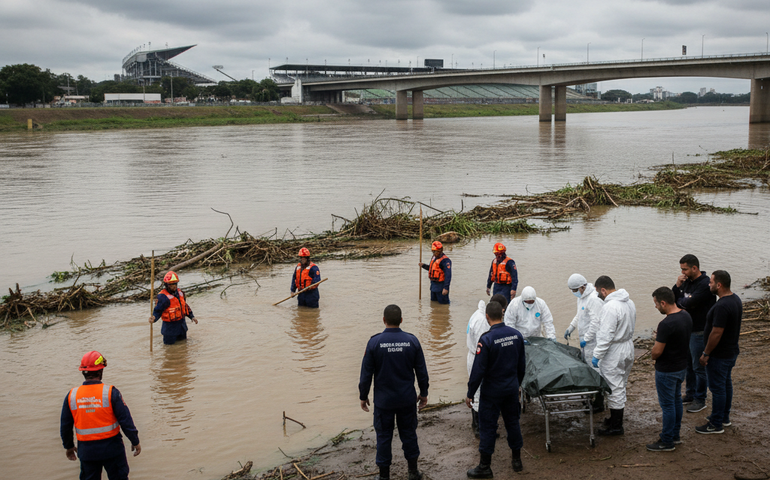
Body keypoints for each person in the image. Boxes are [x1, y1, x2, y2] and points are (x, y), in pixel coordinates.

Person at [359, 305, 429, 480]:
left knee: (383, 436)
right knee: (409, 434)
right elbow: (422, 371)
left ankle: (384, 477)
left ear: (384, 320)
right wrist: (424, 393)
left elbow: (366, 373)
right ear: (401, 321)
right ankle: (413, 472)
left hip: (384, 402)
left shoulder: (374, 343)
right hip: (406, 399)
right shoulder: (412, 341)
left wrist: (363, 395)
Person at [466, 301, 526, 477]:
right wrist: (517, 384)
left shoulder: (486, 340)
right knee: (513, 423)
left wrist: (470, 393)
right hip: (511, 388)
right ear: (503, 314)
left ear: (487, 317)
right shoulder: (516, 335)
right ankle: (517, 461)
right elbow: (521, 365)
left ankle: (485, 466)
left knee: (488, 427)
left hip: (492, 391)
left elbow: (478, 371)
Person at [61, 351, 141, 480]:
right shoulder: (110, 393)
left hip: (87, 452)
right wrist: (135, 440)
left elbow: (65, 426)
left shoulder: (72, 395)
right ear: (101, 371)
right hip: (112, 449)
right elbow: (125, 420)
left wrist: (69, 446)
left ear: (83, 372)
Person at [647, 287, 693, 452]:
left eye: (656, 304)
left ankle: (666, 441)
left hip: (667, 370)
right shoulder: (686, 316)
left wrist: (656, 342)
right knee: (676, 402)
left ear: (663, 302)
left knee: (667, 405)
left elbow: (656, 353)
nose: (656, 307)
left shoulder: (666, 324)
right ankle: (675, 435)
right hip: (681, 366)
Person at [697, 270, 742, 434]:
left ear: (719, 285)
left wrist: (706, 353)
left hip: (719, 355)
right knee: (725, 384)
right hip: (730, 351)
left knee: (717, 389)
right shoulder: (735, 299)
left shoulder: (722, 305)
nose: (709, 284)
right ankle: (724, 417)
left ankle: (716, 424)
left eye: (711, 282)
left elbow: (716, 332)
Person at [591, 275, 636, 436]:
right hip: (628, 346)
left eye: (598, 293)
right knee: (620, 383)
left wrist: (596, 355)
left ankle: (616, 426)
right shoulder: (629, 302)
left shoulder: (610, 307)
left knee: (614, 387)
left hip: (615, 350)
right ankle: (614, 418)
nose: (598, 296)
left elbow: (606, 335)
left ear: (603, 290)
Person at [672, 254, 716, 414]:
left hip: (700, 331)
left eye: (685, 269)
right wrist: (677, 286)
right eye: (681, 269)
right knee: (689, 365)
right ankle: (690, 394)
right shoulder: (686, 282)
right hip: (687, 330)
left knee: (699, 367)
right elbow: (673, 300)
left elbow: (689, 303)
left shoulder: (705, 284)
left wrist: (681, 303)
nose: (682, 272)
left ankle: (700, 399)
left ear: (694, 268)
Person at [466, 294, 509, 438]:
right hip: (477, 357)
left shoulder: (480, 315)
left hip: (479, 356)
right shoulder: (481, 322)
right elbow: (482, 346)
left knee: (483, 392)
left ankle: (481, 425)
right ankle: (479, 427)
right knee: (478, 393)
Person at [564, 273, 606, 411]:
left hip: (593, 342)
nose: (574, 293)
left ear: (582, 287)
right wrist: (571, 327)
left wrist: (586, 339)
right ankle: (591, 397)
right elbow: (579, 315)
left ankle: (599, 402)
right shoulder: (582, 298)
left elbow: (596, 322)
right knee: (588, 368)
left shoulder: (593, 299)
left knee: (596, 370)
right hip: (586, 342)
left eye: (575, 290)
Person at [149, 270, 198, 345]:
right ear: (166, 285)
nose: (174, 286)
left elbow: (184, 306)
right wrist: (154, 318)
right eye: (171, 284)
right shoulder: (163, 297)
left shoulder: (180, 293)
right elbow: (158, 310)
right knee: (169, 350)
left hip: (182, 327)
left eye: (175, 283)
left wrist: (192, 316)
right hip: (170, 329)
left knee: (183, 347)